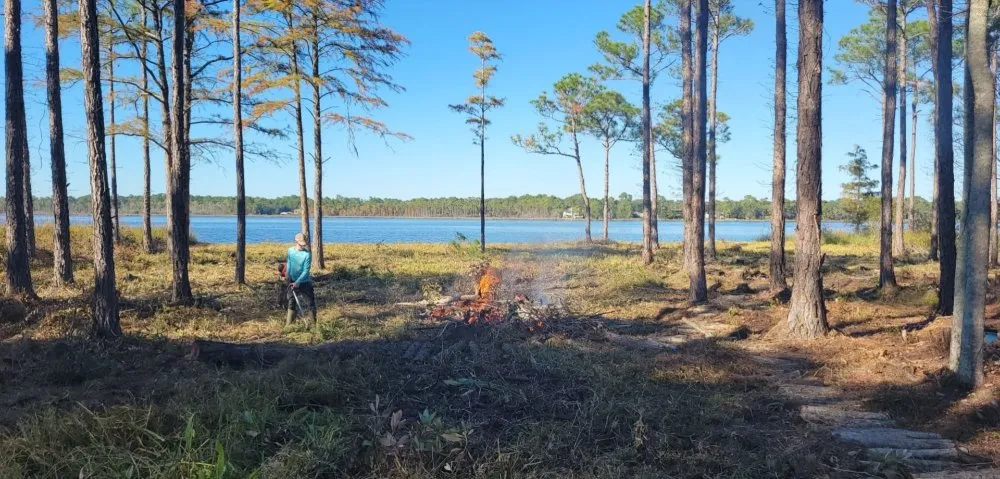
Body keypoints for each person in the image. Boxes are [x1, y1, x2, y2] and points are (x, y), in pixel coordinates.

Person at [281, 232, 316, 326]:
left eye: (303, 243)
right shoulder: (290, 251)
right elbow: (289, 263)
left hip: (304, 282)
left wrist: (298, 282)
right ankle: (289, 326)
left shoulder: (307, 254)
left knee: (310, 303)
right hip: (291, 281)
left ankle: (314, 326)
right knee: (291, 302)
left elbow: (306, 271)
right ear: (296, 241)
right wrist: (287, 275)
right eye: (301, 243)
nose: (302, 245)